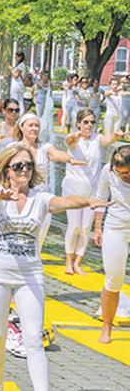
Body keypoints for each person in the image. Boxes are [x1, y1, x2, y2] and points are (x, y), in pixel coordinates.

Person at [0, 144, 111, 391]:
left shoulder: (40, 198)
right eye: (18, 166)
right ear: (7, 169)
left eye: (28, 166)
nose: (24, 170)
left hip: (29, 275)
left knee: (33, 338)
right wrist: (0, 196)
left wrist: (87, 201)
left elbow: (64, 201)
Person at [62, 108, 123, 275]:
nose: (89, 125)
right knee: (74, 226)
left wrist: (116, 135)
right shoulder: (75, 139)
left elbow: (109, 140)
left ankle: (78, 263)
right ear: (79, 123)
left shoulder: (97, 139)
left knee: (85, 228)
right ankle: (68, 261)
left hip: (92, 191)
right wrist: (78, 135)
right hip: (73, 189)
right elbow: (68, 140)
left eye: (92, 122)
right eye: (86, 122)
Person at [93, 145, 130, 344]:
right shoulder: (108, 171)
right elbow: (100, 198)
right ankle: (107, 325)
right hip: (116, 226)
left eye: (127, 173)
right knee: (114, 278)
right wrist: (97, 228)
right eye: (120, 173)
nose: (123, 176)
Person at [0, 99, 21, 172]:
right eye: (10, 110)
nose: (14, 112)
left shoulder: (21, 129)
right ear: (4, 111)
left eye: (17, 110)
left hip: (15, 169)